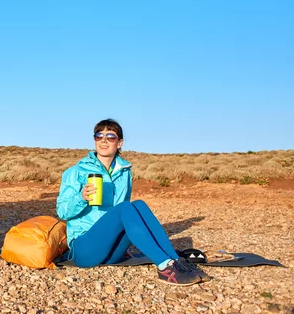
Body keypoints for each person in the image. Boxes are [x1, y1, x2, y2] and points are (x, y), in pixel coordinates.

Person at [56, 119, 210, 286]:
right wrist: (81, 197)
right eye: (99, 136)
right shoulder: (75, 172)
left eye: (110, 136)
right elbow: (62, 212)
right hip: (84, 249)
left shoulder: (124, 173)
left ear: (120, 143)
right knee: (125, 208)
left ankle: (174, 260)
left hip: (112, 252)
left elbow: (127, 216)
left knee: (138, 205)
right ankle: (165, 266)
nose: (104, 140)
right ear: (94, 140)